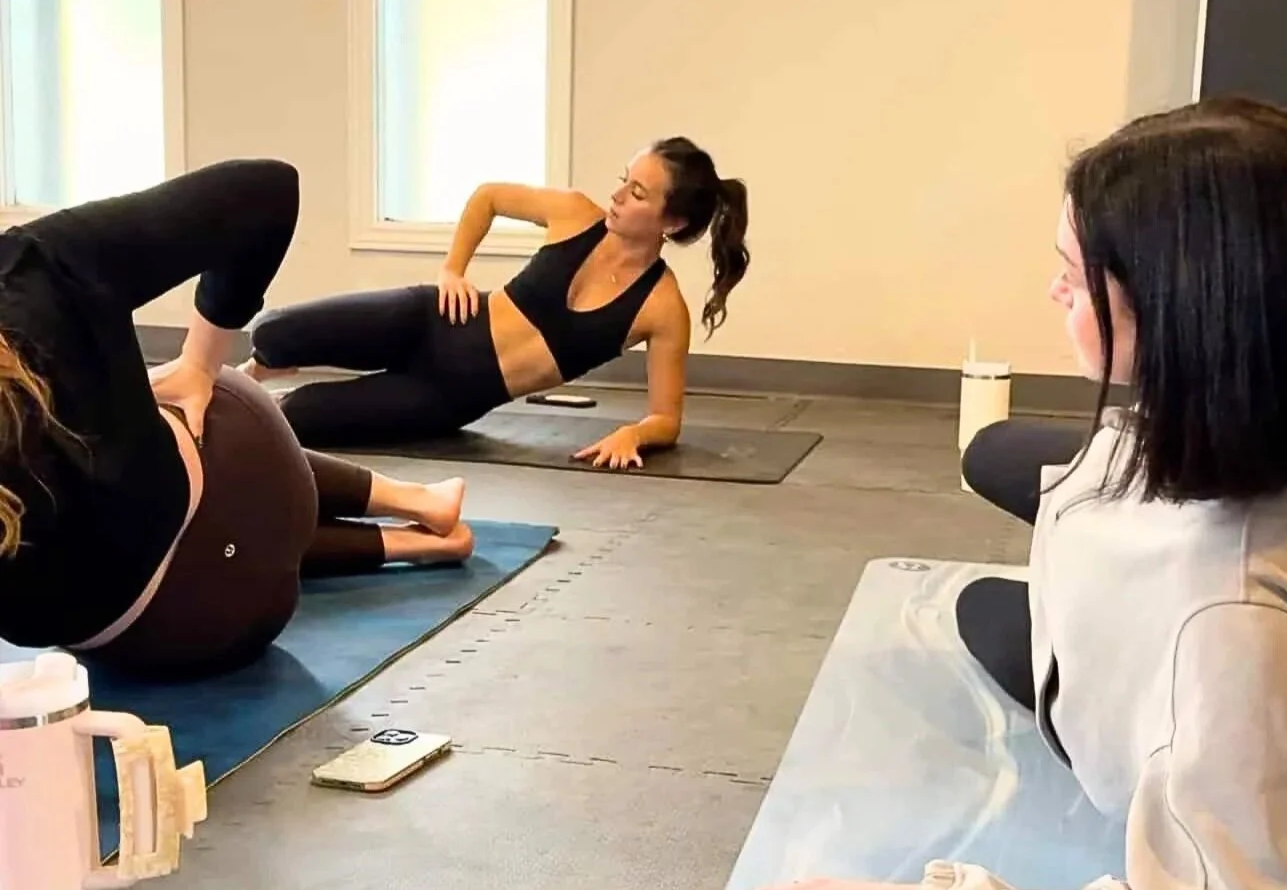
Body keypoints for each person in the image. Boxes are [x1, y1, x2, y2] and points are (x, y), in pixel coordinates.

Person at [690, 97, 1287, 890]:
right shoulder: (1264, 398)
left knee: (981, 608)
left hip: (1166, 672)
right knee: (993, 456)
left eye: (1072, 277)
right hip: (1152, 564)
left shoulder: (1228, 636)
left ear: (1178, 308)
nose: (1053, 295)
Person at [0, 159, 473, 682]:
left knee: (130, 474)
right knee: (204, 400)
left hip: (117, 643)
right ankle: (415, 510)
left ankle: (417, 530)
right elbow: (267, 188)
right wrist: (200, 364)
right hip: (227, 594)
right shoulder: (31, 270)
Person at [240, 137, 750, 470]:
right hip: (432, 321)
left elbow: (667, 417)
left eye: (637, 192)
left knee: (295, 416)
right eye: (624, 179)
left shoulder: (661, 308)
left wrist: (633, 436)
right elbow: (488, 196)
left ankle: (247, 388)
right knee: (274, 332)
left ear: (673, 222)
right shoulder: (575, 213)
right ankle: (253, 369)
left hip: (445, 396)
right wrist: (452, 270)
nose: (618, 195)